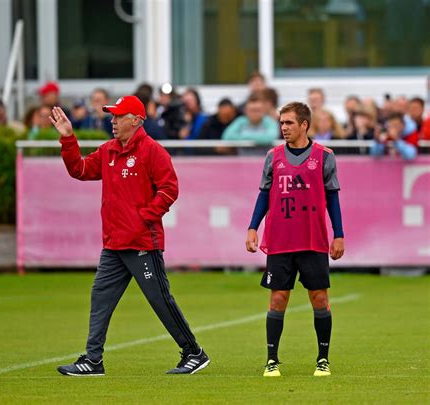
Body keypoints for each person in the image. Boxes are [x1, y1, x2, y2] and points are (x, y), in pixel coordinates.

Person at [50, 95, 209, 376]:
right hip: (113, 244)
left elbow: (169, 189)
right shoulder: (109, 150)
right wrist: (68, 139)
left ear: (135, 120)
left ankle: (194, 353)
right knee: (100, 298)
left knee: (160, 300)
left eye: (117, 116)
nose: (112, 122)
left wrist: (143, 218)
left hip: (141, 243)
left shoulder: (153, 151)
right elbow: (80, 170)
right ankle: (93, 360)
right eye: (112, 116)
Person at [245, 101, 345, 378]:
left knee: (320, 299)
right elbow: (264, 193)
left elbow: (332, 197)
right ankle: (271, 360)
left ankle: (322, 360)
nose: (283, 127)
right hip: (280, 240)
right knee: (277, 299)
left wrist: (339, 234)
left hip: (313, 239)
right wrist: (253, 226)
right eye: (281, 122)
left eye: (289, 122)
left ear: (304, 125)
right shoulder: (273, 156)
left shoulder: (324, 156)